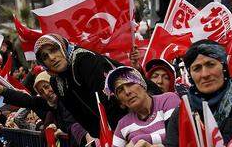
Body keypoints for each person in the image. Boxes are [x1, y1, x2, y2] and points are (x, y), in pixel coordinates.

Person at [33, 34, 161, 137]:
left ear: (63, 46)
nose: (51, 57)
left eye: (54, 50)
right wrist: (100, 136)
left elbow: (109, 101)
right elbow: (80, 116)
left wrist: (121, 135)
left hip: (145, 114)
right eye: (45, 56)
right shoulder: (56, 82)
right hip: (111, 131)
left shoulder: (84, 60)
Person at [164, 40, 232, 146]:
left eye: (210, 64)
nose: (205, 74)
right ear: (190, 75)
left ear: (224, 67)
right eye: (197, 68)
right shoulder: (182, 114)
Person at [0, 70, 93, 147]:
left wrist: (84, 135)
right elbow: (24, 100)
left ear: (54, 82)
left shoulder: (70, 97)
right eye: (41, 92)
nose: (46, 93)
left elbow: (74, 124)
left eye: (46, 86)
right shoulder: (50, 104)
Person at [106, 66, 180, 146]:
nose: (127, 92)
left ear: (143, 86)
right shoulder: (122, 125)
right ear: (121, 101)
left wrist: (138, 140)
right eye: (120, 90)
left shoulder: (167, 100)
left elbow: (176, 136)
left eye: (130, 84)